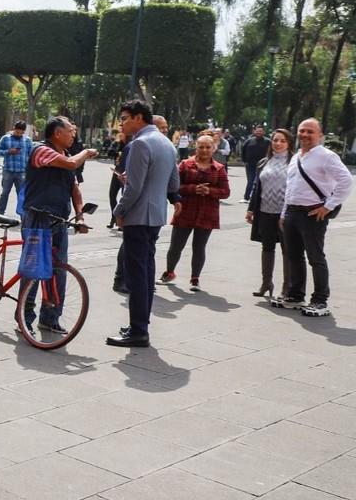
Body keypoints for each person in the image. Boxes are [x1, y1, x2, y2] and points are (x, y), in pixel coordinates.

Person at [107, 100, 180, 348]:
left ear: (139, 118)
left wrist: (119, 210)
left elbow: (134, 187)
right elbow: (173, 184)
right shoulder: (167, 143)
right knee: (146, 272)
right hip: (156, 215)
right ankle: (140, 324)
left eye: (125, 118)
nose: (122, 123)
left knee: (137, 275)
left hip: (138, 216)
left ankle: (138, 331)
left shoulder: (140, 143)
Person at [19, 117, 96, 334]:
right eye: (70, 131)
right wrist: (87, 153)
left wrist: (80, 216)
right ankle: (24, 317)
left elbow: (75, 190)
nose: (74, 135)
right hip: (38, 218)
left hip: (58, 219)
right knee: (33, 270)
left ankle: (50, 318)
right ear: (56, 133)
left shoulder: (67, 157)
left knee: (58, 269)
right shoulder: (41, 151)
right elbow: (72, 164)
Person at [276, 118, 352, 317]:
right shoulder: (296, 157)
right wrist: (285, 213)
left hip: (312, 214)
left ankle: (320, 300)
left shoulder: (327, 156)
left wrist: (328, 207)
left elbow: (346, 181)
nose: (305, 135)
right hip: (292, 212)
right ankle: (295, 295)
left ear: (320, 135)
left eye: (310, 131)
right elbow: (290, 187)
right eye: (302, 131)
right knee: (293, 256)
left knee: (315, 257)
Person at [160, 134, 230, 292]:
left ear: (213, 149)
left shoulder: (219, 168)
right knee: (176, 246)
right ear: (195, 147)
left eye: (208, 147)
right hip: (186, 210)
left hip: (207, 213)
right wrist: (193, 189)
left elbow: (225, 192)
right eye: (201, 147)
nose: (204, 150)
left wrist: (209, 191)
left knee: (199, 247)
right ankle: (169, 272)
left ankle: (195, 278)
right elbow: (174, 186)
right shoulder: (185, 164)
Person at [246, 128, 293, 301]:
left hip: (285, 214)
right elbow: (257, 188)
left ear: (289, 143)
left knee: (287, 250)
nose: (278, 144)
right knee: (267, 248)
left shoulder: (294, 162)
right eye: (275, 140)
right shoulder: (264, 162)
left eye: (282, 141)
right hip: (265, 211)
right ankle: (266, 283)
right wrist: (251, 209)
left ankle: (287, 287)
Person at [0, 120, 33, 215]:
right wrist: (8, 151)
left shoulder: (27, 140)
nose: (19, 134)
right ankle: (0, 213)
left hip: (22, 172)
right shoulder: (6, 138)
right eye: (17, 132)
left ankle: (22, 215)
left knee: (21, 195)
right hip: (8, 171)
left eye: (21, 133)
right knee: (5, 193)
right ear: (14, 129)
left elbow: (31, 155)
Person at [240, 125, 270, 203]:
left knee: (260, 182)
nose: (258, 132)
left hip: (263, 165)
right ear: (254, 131)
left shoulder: (268, 142)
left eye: (260, 131)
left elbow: (271, 152)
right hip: (250, 165)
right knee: (250, 181)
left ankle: (259, 198)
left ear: (263, 132)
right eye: (257, 131)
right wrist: (244, 160)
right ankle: (246, 198)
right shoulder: (249, 141)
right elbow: (243, 150)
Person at [107, 130, 128, 231]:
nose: (121, 133)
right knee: (112, 195)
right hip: (116, 172)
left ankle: (122, 219)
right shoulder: (117, 143)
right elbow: (109, 152)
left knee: (125, 196)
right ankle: (113, 217)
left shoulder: (131, 144)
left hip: (126, 174)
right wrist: (117, 147)